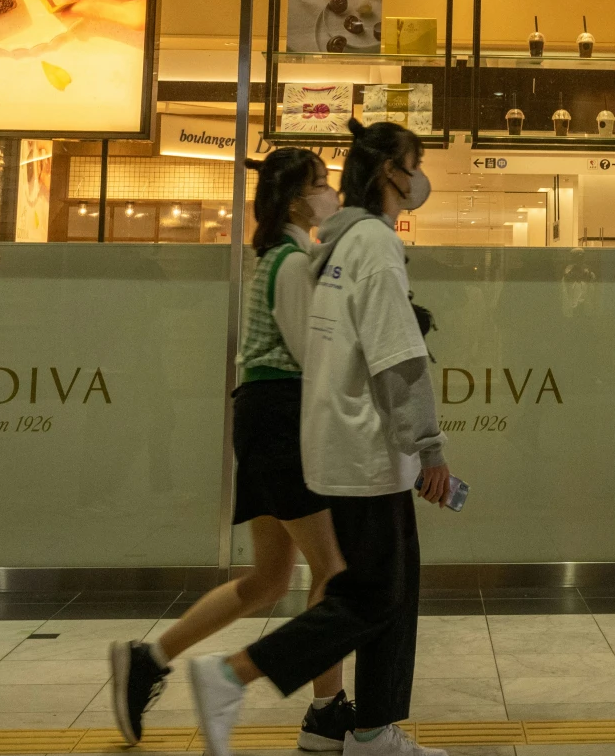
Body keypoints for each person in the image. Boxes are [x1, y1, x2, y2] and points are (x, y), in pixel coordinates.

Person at [184, 121, 457, 756]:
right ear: (391, 172)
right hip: (367, 448)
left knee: (384, 590)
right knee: (371, 597)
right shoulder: (373, 245)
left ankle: (368, 728)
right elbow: (399, 360)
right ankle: (232, 675)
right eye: (414, 163)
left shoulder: (333, 247)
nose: (419, 179)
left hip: (339, 444)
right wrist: (430, 448)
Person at [109, 147, 353, 746]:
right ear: (297, 199)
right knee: (333, 570)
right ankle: (329, 710)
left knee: (269, 578)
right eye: (322, 184)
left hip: (260, 416)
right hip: (282, 418)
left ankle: (151, 659)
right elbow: (309, 355)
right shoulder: (294, 262)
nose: (331, 193)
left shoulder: (275, 256)